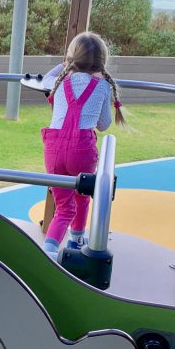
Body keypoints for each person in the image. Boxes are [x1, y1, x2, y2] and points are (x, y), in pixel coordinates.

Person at [41, 32, 125, 259]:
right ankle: (76, 239)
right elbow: (104, 124)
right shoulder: (102, 87)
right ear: (101, 63)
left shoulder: (59, 82)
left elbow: (46, 78)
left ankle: (48, 249)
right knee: (83, 194)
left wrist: (63, 67)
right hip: (82, 151)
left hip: (54, 149)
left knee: (63, 208)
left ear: (69, 60)